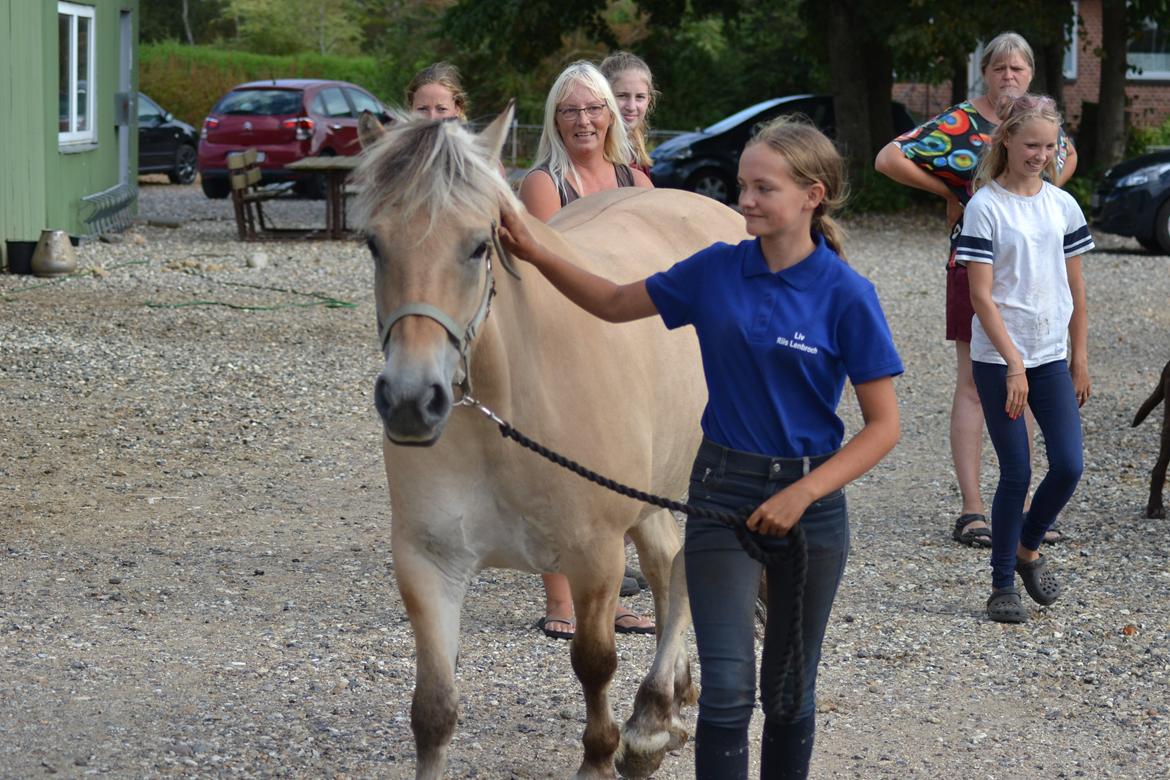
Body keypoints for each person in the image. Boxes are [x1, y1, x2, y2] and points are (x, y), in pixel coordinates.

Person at [499, 115, 902, 779]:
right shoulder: (716, 270)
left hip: (811, 508)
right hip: (722, 495)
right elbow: (612, 302)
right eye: (743, 185)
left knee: (789, 693)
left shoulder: (847, 296)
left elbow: (884, 426)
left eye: (763, 188)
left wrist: (803, 494)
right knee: (727, 692)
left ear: (813, 195)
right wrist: (538, 253)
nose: (745, 200)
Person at [874, 31, 1077, 549]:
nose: (1009, 76)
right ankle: (971, 507)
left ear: (1031, 74)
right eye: (1000, 68)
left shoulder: (1039, 118)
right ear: (984, 72)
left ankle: (1022, 504)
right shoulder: (960, 122)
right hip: (974, 267)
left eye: (1018, 68)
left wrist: (1045, 194)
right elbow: (888, 157)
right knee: (971, 383)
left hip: (1031, 276)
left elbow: (1065, 157)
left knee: (1025, 381)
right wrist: (953, 192)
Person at [519, 61, 655, 639]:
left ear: (609, 115)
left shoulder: (637, 180)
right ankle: (561, 600)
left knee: (617, 472)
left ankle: (608, 597)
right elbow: (553, 268)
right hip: (564, 341)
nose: (584, 120)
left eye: (594, 108)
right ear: (555, 118)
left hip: (626, 344)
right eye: (571, 109)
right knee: (557, 469)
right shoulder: (543, 183)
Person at [955, 93, 1092, 623]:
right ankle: (1001, 585)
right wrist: (1013, 363)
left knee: (1070, 464)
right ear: (1007, 140)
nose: (1040, 155)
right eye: (1031, 144)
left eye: (1050, 146)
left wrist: (1080, 356)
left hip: (1050, 356)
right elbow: (981, 296)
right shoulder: (985, 207)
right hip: (999, 360)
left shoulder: (1063, 206)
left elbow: (1076, 288)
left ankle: (1027, 549)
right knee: (1016, 470)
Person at [599, 51, 657, 176]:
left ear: (648, 101)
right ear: (603, 97)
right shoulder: (593, 152)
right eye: (622, 96)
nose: (631, 107)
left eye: (640, 97)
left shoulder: (637, 152)